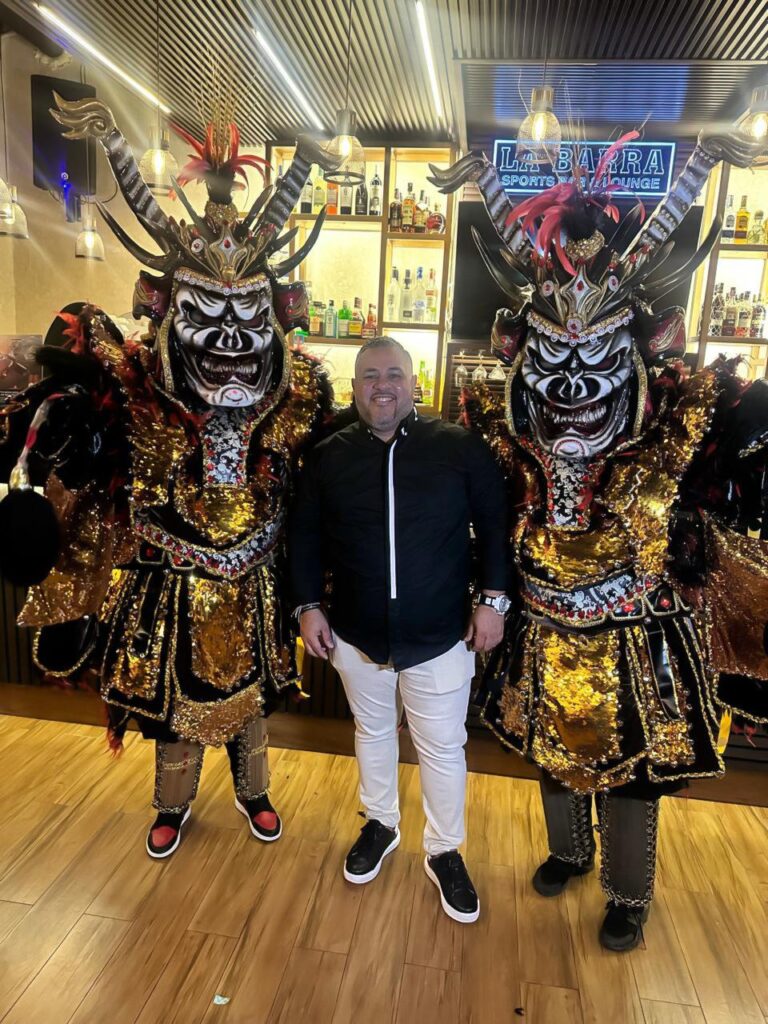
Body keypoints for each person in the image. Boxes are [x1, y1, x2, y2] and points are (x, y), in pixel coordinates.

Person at [427, 128, 768, 951]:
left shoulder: (672, 436)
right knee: (552, 744)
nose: (574, 382)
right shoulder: (509, 447)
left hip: (636, 629)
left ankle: (629, 892)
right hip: (546, 619)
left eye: (599, 359)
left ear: (642, 359)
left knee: (635, 764)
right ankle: (569, 851)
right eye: (554, 358)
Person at [0, 94, 339, 858]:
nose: (228, 341)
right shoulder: (139, 397)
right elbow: (96, 477)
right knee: (170, 704)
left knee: (252, 702)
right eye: (206, 316)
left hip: (256, 582)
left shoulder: (297, 401)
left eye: (245, 318)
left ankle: (254, 792)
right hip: (170, 582)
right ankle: (173, 804)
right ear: (167, 315)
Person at [289, 336, 509, 923]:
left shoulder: (457, 447)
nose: (381, 385)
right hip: (356, 633)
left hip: (441, 633)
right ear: (354, 386)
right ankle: (381, 823)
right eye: (369, 375)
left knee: (442, 748)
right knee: (372, 731)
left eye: (393, 374)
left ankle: (445, 851)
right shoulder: (328, 456)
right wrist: (307, 605)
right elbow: (304, 535)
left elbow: (494, 525)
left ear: (413, 384)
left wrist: (494, 601)